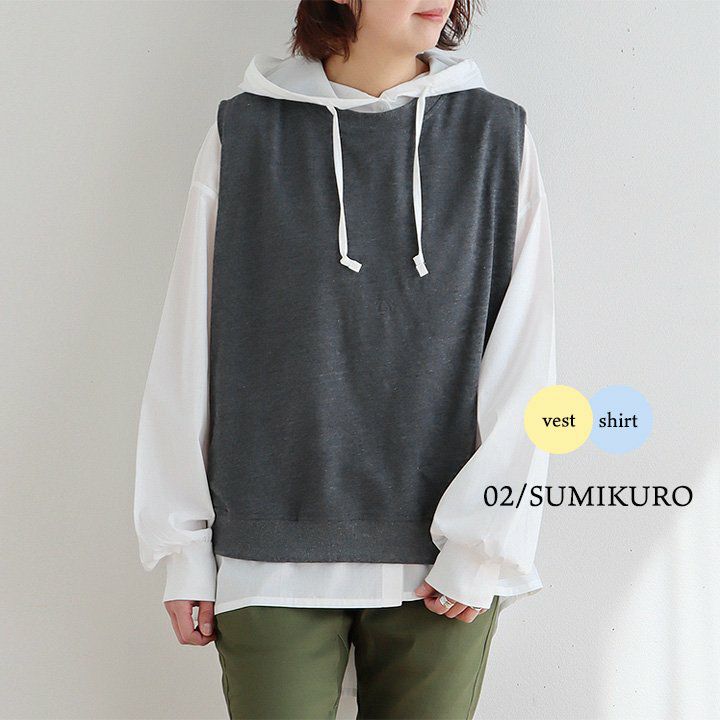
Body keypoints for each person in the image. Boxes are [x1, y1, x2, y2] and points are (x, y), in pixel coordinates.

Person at [133, 0, 556, 717]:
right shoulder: (247, 130)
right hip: (269, 548)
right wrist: (183, 547)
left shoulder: (495, 136)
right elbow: (189, 339)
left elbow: (526, 355)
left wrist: (484, 544)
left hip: (442, 561)